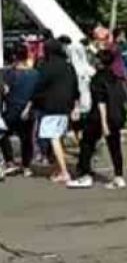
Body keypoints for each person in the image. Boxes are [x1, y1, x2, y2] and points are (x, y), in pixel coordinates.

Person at [67, 49, 127, 190]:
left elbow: (101, 103)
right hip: (116, 115)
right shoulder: (116, 78)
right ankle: (119, 177)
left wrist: (104, 123)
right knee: (115, 147)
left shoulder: (97, 79)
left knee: (87, 144)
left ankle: (85, 174)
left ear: (99, 62)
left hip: (98, 117)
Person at [30, 38, 79, 183]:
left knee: (53, 138)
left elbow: (39, 86)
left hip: (50, 106)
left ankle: (64, 172)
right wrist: (74, 104)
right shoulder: (68, 66)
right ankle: (59, 169)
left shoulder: (47, 66)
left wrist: (34, 101)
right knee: (59, 137)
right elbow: (75, 87)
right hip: (66, 105)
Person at [1, 44, 38, 176]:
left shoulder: (7, 73)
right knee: (27, 139)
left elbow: (4, 91)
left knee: (3, 134)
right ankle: (26, 166)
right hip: (28, 111)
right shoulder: (35, 74)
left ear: (14, 56)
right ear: (27, 55)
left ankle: (10, 161)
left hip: (11, 110)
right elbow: (36, 94)